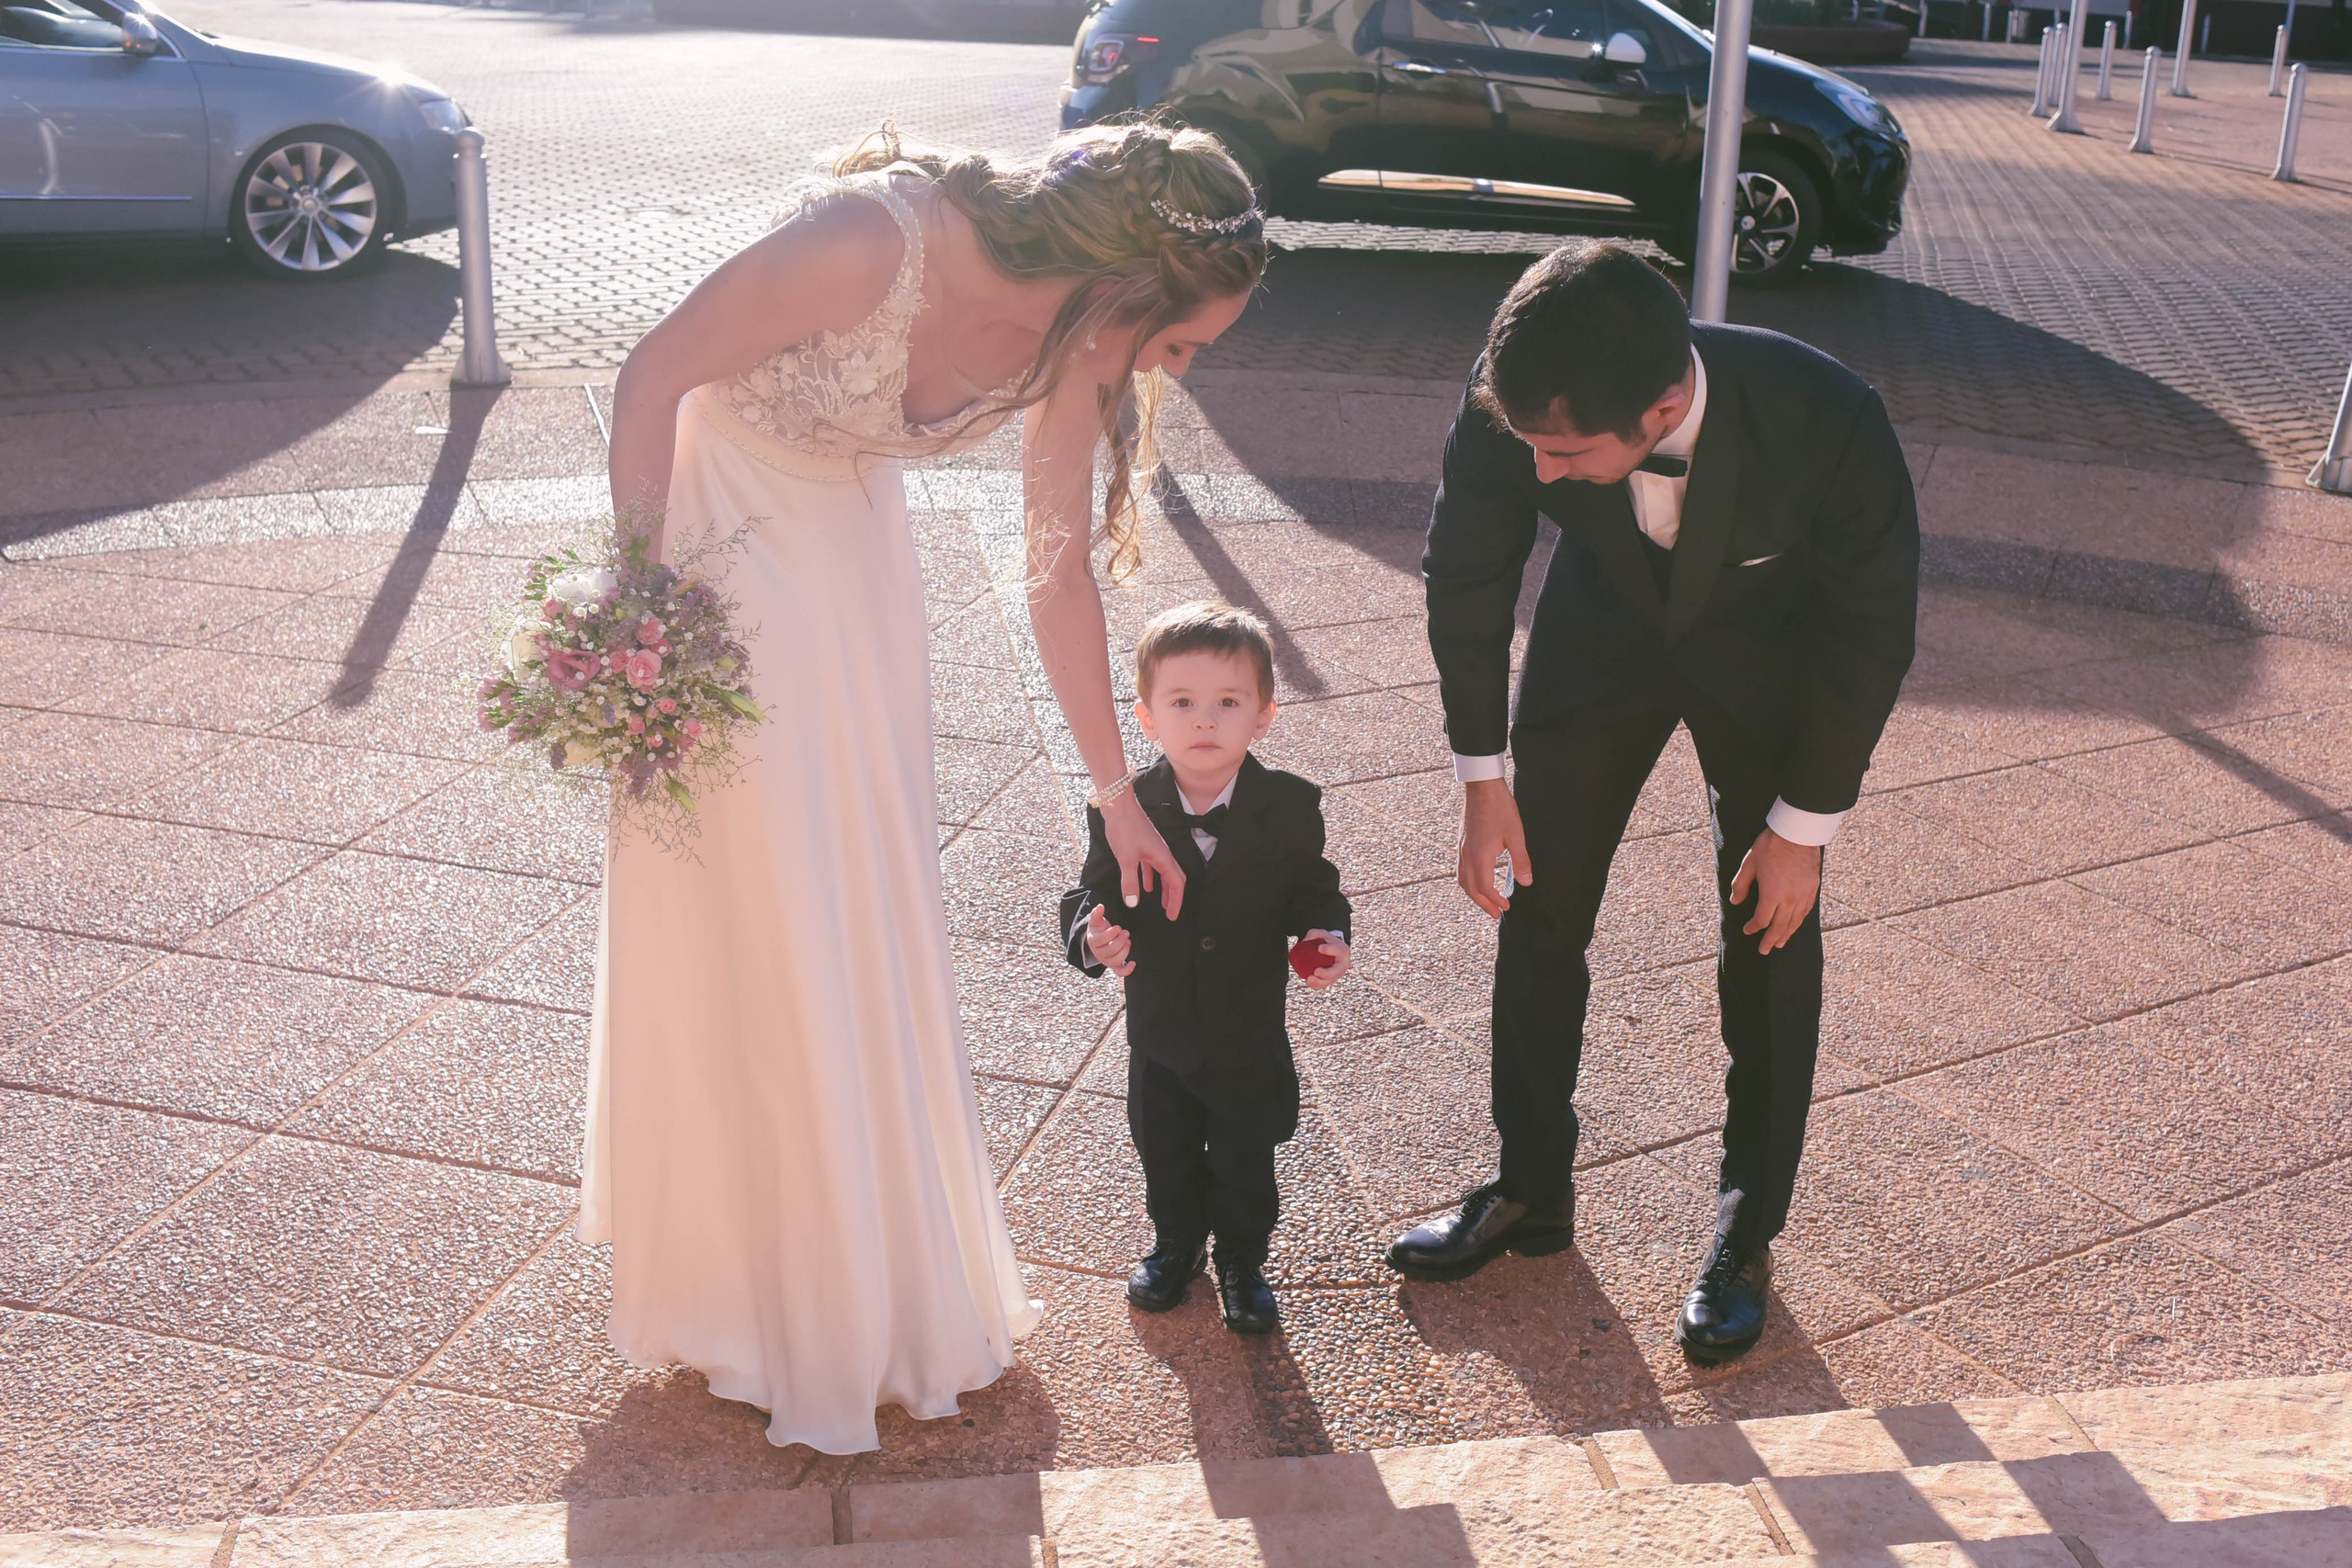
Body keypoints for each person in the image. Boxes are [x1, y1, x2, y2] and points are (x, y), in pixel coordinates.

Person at [578, 123, 1268, 1452]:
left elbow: (1058, 571)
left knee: (855, 908)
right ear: (1128, 283)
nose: (1173, 372)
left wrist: (1115, 791)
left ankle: (863, 1276)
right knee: (769, 909)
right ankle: (756, 1292)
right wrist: (642, 610)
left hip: (851, 572)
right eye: (1177, 343)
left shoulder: (1077, 345)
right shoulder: (869, 245)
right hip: (720, 544)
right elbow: (655, 372)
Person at [1387, 243, 1919, 1366]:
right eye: (1528, 445)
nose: (1537, 469)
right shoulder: (1521, 386)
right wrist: (1480, 779)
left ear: (1666, 403)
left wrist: (1802, 830)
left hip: (1770, 663)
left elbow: (1871, 634)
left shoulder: (1828, 419)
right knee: (1539, 908)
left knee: (1769, 932)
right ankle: (1530, 1189)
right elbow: (1467, 570)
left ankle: (1744, 1231)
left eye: (1562, 455)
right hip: (1601, 638)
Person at [1059, 602, 1352, 1335]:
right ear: (1147, 716)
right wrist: (1093, 938)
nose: (1205, 720)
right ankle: (1175, 1244)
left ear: (1264, 715)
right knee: (1166, 1150)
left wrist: (1325, 931)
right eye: (1182, 702)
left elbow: (1314, 888)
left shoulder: (1288, 806)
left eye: (1228, 702)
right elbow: (1091, 893)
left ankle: (1244, 1262)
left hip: (1248, 1027)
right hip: (1161, 1031)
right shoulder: (1122, 809)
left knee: (1245, 1156)